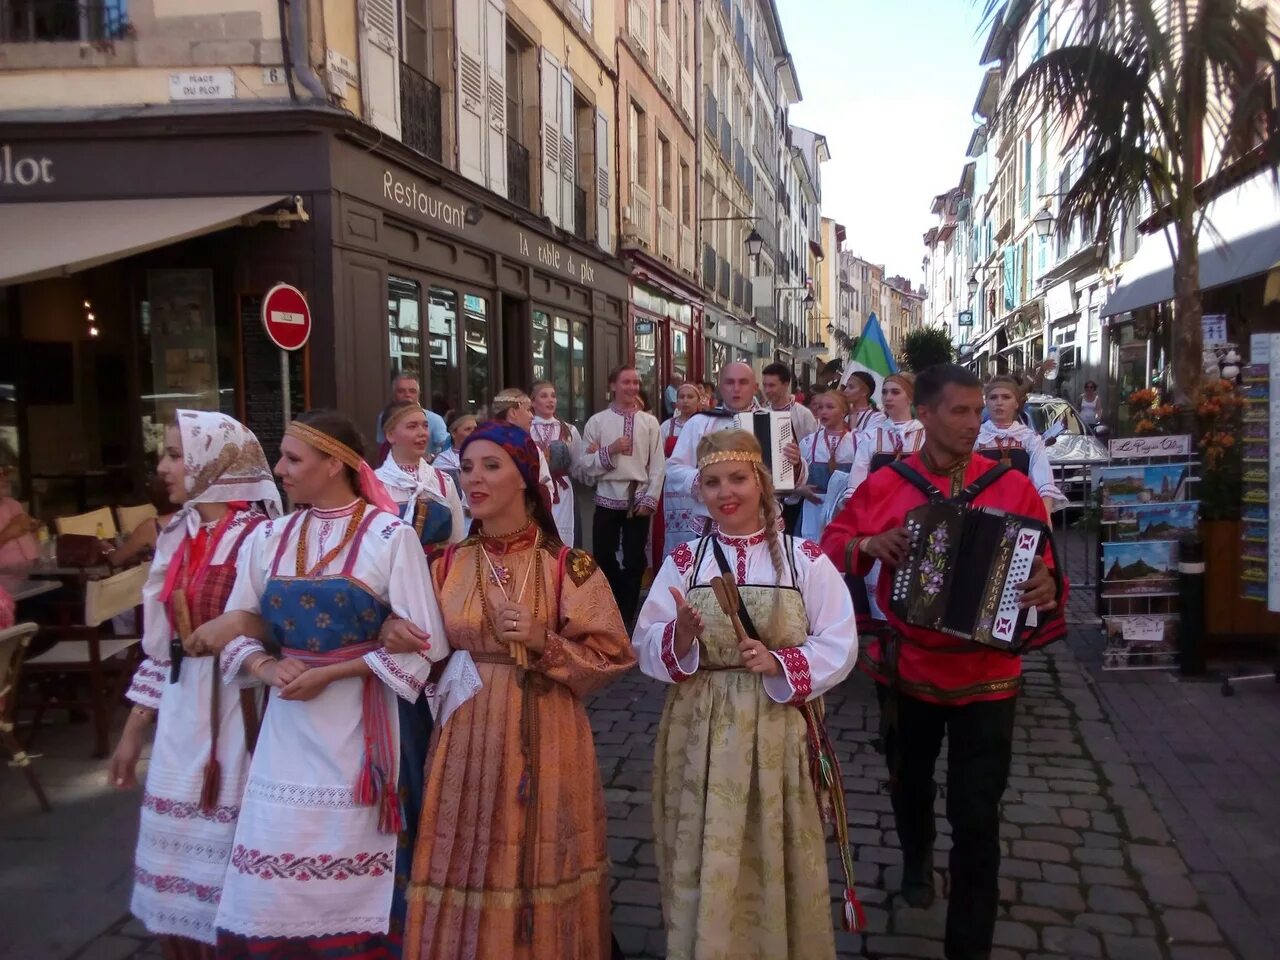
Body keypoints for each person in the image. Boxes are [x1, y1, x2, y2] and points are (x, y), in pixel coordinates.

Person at [819, 364, 1067, 960]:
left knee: (978, 813)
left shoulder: (1012, 486)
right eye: (959, 411)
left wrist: (1044, 585)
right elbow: (829, 547)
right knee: (909, 782)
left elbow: (1047, 568)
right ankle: (915, 856)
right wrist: (866, 545)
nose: (972, 423)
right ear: (925, 415)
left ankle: (968, 945)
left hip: (989, 676)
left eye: (978, 410)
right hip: (908, 669)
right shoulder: (887, 483)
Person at [386, 421, 635, 960]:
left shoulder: (569, 566)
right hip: (465, 731)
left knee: (537, 852)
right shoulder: (445, 565)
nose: (474, 478)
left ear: (524, 478)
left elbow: (612, 657)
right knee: (468, 848)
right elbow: (419, 656)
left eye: (491, 466)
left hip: (547, 730)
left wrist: (547, 642)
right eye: (468, 466)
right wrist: (392, 632)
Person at [206, 411, 449, 957]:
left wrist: (333, 672)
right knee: (277, 851)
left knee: (358, 855)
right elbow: (238, 624)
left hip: (363, 731)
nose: (280, 469)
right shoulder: (267, 537)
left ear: (334, 464)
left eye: (293, 458)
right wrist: (267, 669)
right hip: (286, 730)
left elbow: (426, 646)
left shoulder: (390, 536)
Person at [633, 429, 862, 960]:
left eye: (737, 478)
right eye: (711, 482)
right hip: (700, 728)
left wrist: (782, 661)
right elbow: (645, 640)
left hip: (776, 727)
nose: (724, 492)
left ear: (760, 482)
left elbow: (840, 641)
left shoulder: (804, 558)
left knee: (771, 840)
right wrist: (681, 637)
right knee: (703, 846)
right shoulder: (687, 560)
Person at [107, 411, 282, 958]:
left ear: (217, 462)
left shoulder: (262, 536)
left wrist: (239, 632)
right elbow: (160, 647)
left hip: (242, 715)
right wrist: (134, 731)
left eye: (177, 454)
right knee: (176, 863)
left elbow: (283, 632)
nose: (164, 466)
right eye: (167, 454)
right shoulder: (178, 534)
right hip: (184, 718)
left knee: (234, 865)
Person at [666, 362, 805, 541]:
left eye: (743, 382)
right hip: (714, 522)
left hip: (763, 520)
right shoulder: (699, 423)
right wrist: (706, 480)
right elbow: (673, 468)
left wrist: (796, 463)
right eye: (730, 382)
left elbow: (792, 482)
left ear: (755, 387)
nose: (736, 389)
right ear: (720, 386)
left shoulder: (776, 423)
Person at [578, 366, 664, 624]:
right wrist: (610, 450)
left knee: (635, 559)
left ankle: (627, 614)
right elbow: (585, 465)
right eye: (626, 382)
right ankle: (613, 601)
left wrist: (651, 500)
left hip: (637, 496)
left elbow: (659, 465)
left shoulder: (649, 423)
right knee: (603, 554)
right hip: (606, 495)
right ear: (613, 385)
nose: (632, 387)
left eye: (636, 383)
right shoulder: (598, 421)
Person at [376, 399, 466, 551]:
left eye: (425, 426)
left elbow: (458, 543)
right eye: (412, 426)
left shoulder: (443, 481)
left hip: (440, 572)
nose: (422, 433)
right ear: (390, 435)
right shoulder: (375, 484)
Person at [977, 375, 1067, 520]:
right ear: (986, 402)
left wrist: (1045, 518)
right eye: (993, 397)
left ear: (1016, 403)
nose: (999, 402)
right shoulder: (975, 437)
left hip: (1021, 512)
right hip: (981, 513)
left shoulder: (1029, 438)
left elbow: (1043, 480)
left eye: (1006, 397)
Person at [761, 362, 819, 535]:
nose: (767, 390)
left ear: (786, 385)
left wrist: (801, 483)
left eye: (772, 385)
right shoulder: (762, 413)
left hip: (798, 490)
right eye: (765, 385)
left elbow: (811, 451)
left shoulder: (803, 414)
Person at [795, 390, 857, 541]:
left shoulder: (858, 442)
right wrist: (799, 489)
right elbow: (794, 476)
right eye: (821, 407)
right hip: (813, 509)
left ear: (843, 411)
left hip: (843, 511)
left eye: (830, 407)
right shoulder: (808, 443)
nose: (823, 412)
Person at [529, 381, 584, 547]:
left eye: (553, 396)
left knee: (566, 537)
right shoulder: (527, 429)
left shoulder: (568, 430)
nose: (550, 400)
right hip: (536, 489)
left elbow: (578, 465)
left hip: (563, 490)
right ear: (533, 401)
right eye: (544, 396)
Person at [654, 382, 703, 562]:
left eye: (690, 397)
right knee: (669, 533)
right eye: (681, 397)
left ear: (699, 401)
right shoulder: (667, 426)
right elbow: (656, 455)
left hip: (695, 488)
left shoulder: (703, 424)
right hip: (671, 488)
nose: (685, 401)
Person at [376, 371, 449, 458]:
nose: (407, 395)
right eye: (401, 391)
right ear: (393, 395)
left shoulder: (434, 419)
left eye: (412, 391)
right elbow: (382, 447)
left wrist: (432, 457)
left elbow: (448, 448)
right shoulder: (384, 417)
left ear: (418, 395)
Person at [0, 465, 39, 577]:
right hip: (5, 581)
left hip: (33, 571)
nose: (4, 479)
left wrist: (33, 530)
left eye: (4, 475)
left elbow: (29, 541)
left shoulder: (13, 504)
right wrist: (5, 536)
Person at [841, 369, 889, 434]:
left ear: (864, 392)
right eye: (846, 386)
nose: (846, 391)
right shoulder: (841, 411)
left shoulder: (877, 418)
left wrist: (853, 425)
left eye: (851, 387)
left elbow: (867, 443)